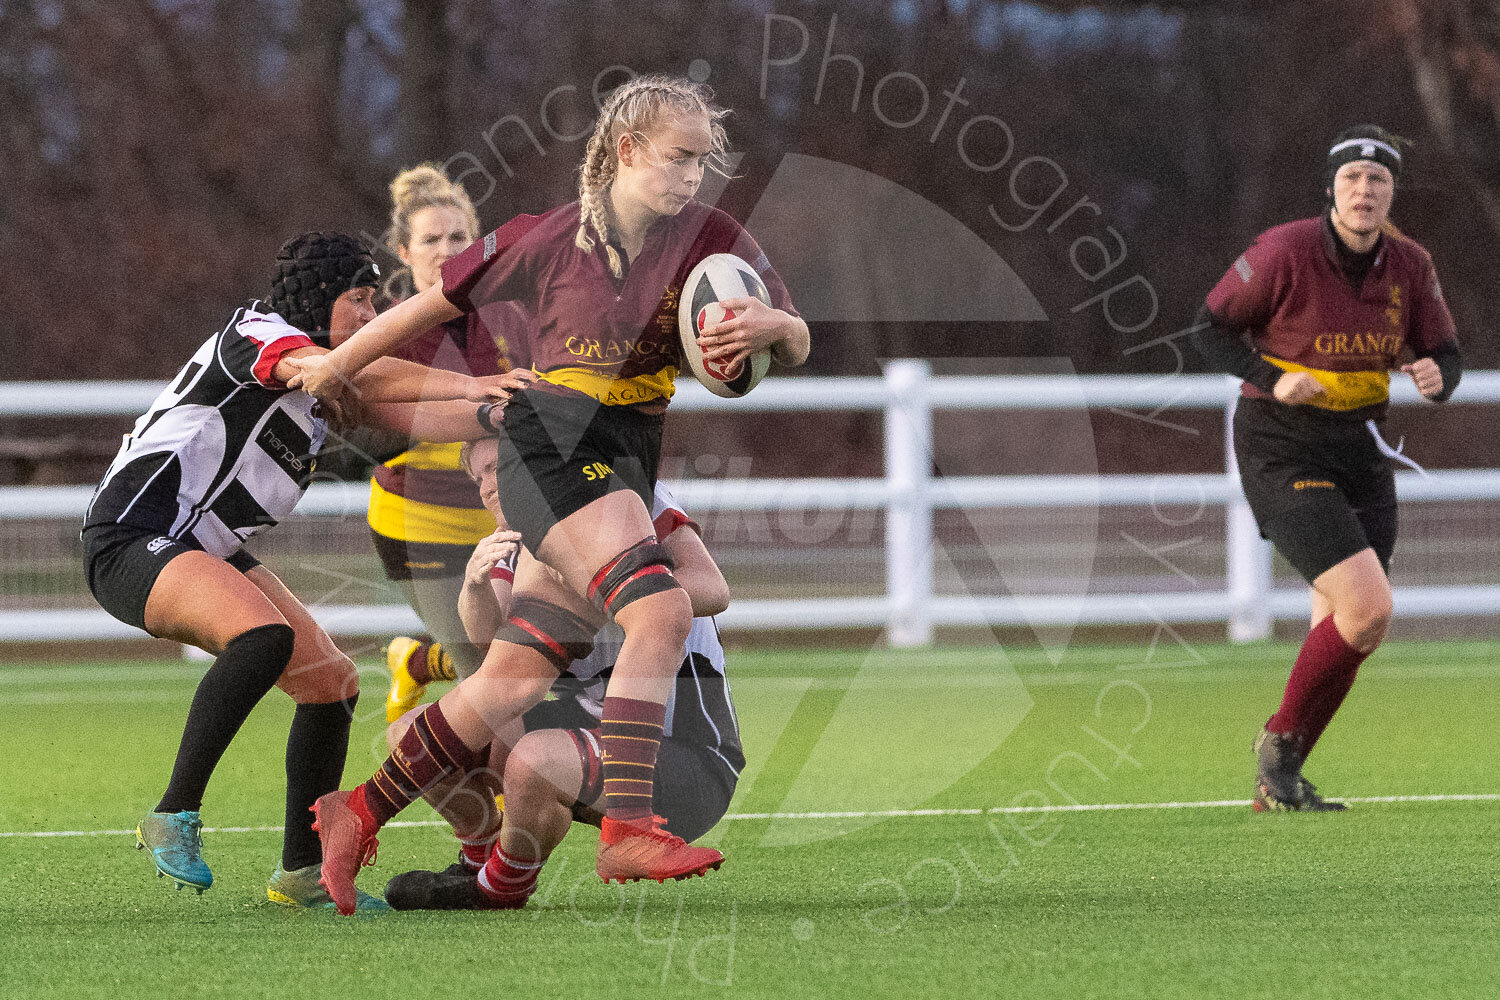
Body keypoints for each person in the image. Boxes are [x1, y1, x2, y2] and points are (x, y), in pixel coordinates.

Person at [290, 74, 808, 913]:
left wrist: (773, 330)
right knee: (662, 612)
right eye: (678, 159)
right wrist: (334, 366)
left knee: (512, 679)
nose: (692, 179)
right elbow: (424, 308)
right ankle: (629, 828)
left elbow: (796, 334)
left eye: (703, 163)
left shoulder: (714, 239)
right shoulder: (542, 238)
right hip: (553, 446)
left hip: (629, 454)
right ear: (627, 150)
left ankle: (356, 810)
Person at [84, 232, 524, 908]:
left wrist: (500, 410)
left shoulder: (329, 371)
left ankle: (301, 876)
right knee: (264, 638)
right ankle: (174, 811)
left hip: (202, 546)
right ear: (318, 301)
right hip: (132, 536)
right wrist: (473, 381)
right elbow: (351, 374)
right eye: (359, 300)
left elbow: (410, 408)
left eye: (376, 301)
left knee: (331, 685)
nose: (372, 316)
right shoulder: (260, 334)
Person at [1194, 125, 1462, 812]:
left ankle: (1276, 782)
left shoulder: (1410, 264)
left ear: (1391, 193)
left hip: (1361, 447)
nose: (1365, 191)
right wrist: (1269, 376)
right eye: (1352, 179)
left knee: (1356, 625)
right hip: (1280, 444)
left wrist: (1439, 376)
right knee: (1368, 604)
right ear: (1331, 190)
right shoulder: (1283, 251)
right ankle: (1277, 746)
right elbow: (1208, 328)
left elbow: (1444, 355)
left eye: (1378, 181)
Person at [381, 435, 740, 910]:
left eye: (499, 468)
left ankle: (500, 888)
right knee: (411, 734)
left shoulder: (627, 499)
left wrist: (608, 591)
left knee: (536, 758)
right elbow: (491, 656)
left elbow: (713, 589)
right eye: (479, 476)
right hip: (589, 735)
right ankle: (481, 857)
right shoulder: (519, 542)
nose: (488, 487)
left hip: (688, 759)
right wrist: (473, 587)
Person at [362, 164, 532, 719]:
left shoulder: (514, 315)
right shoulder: (389, 332)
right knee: (485, 679)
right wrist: (484, 413)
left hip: (503, 516)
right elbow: (375, 432)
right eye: (430, 240)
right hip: (420, 522)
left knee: (536, 652)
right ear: (403, 253)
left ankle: (415, 661)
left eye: (458, 237)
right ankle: (499, 799)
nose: (445, 250)